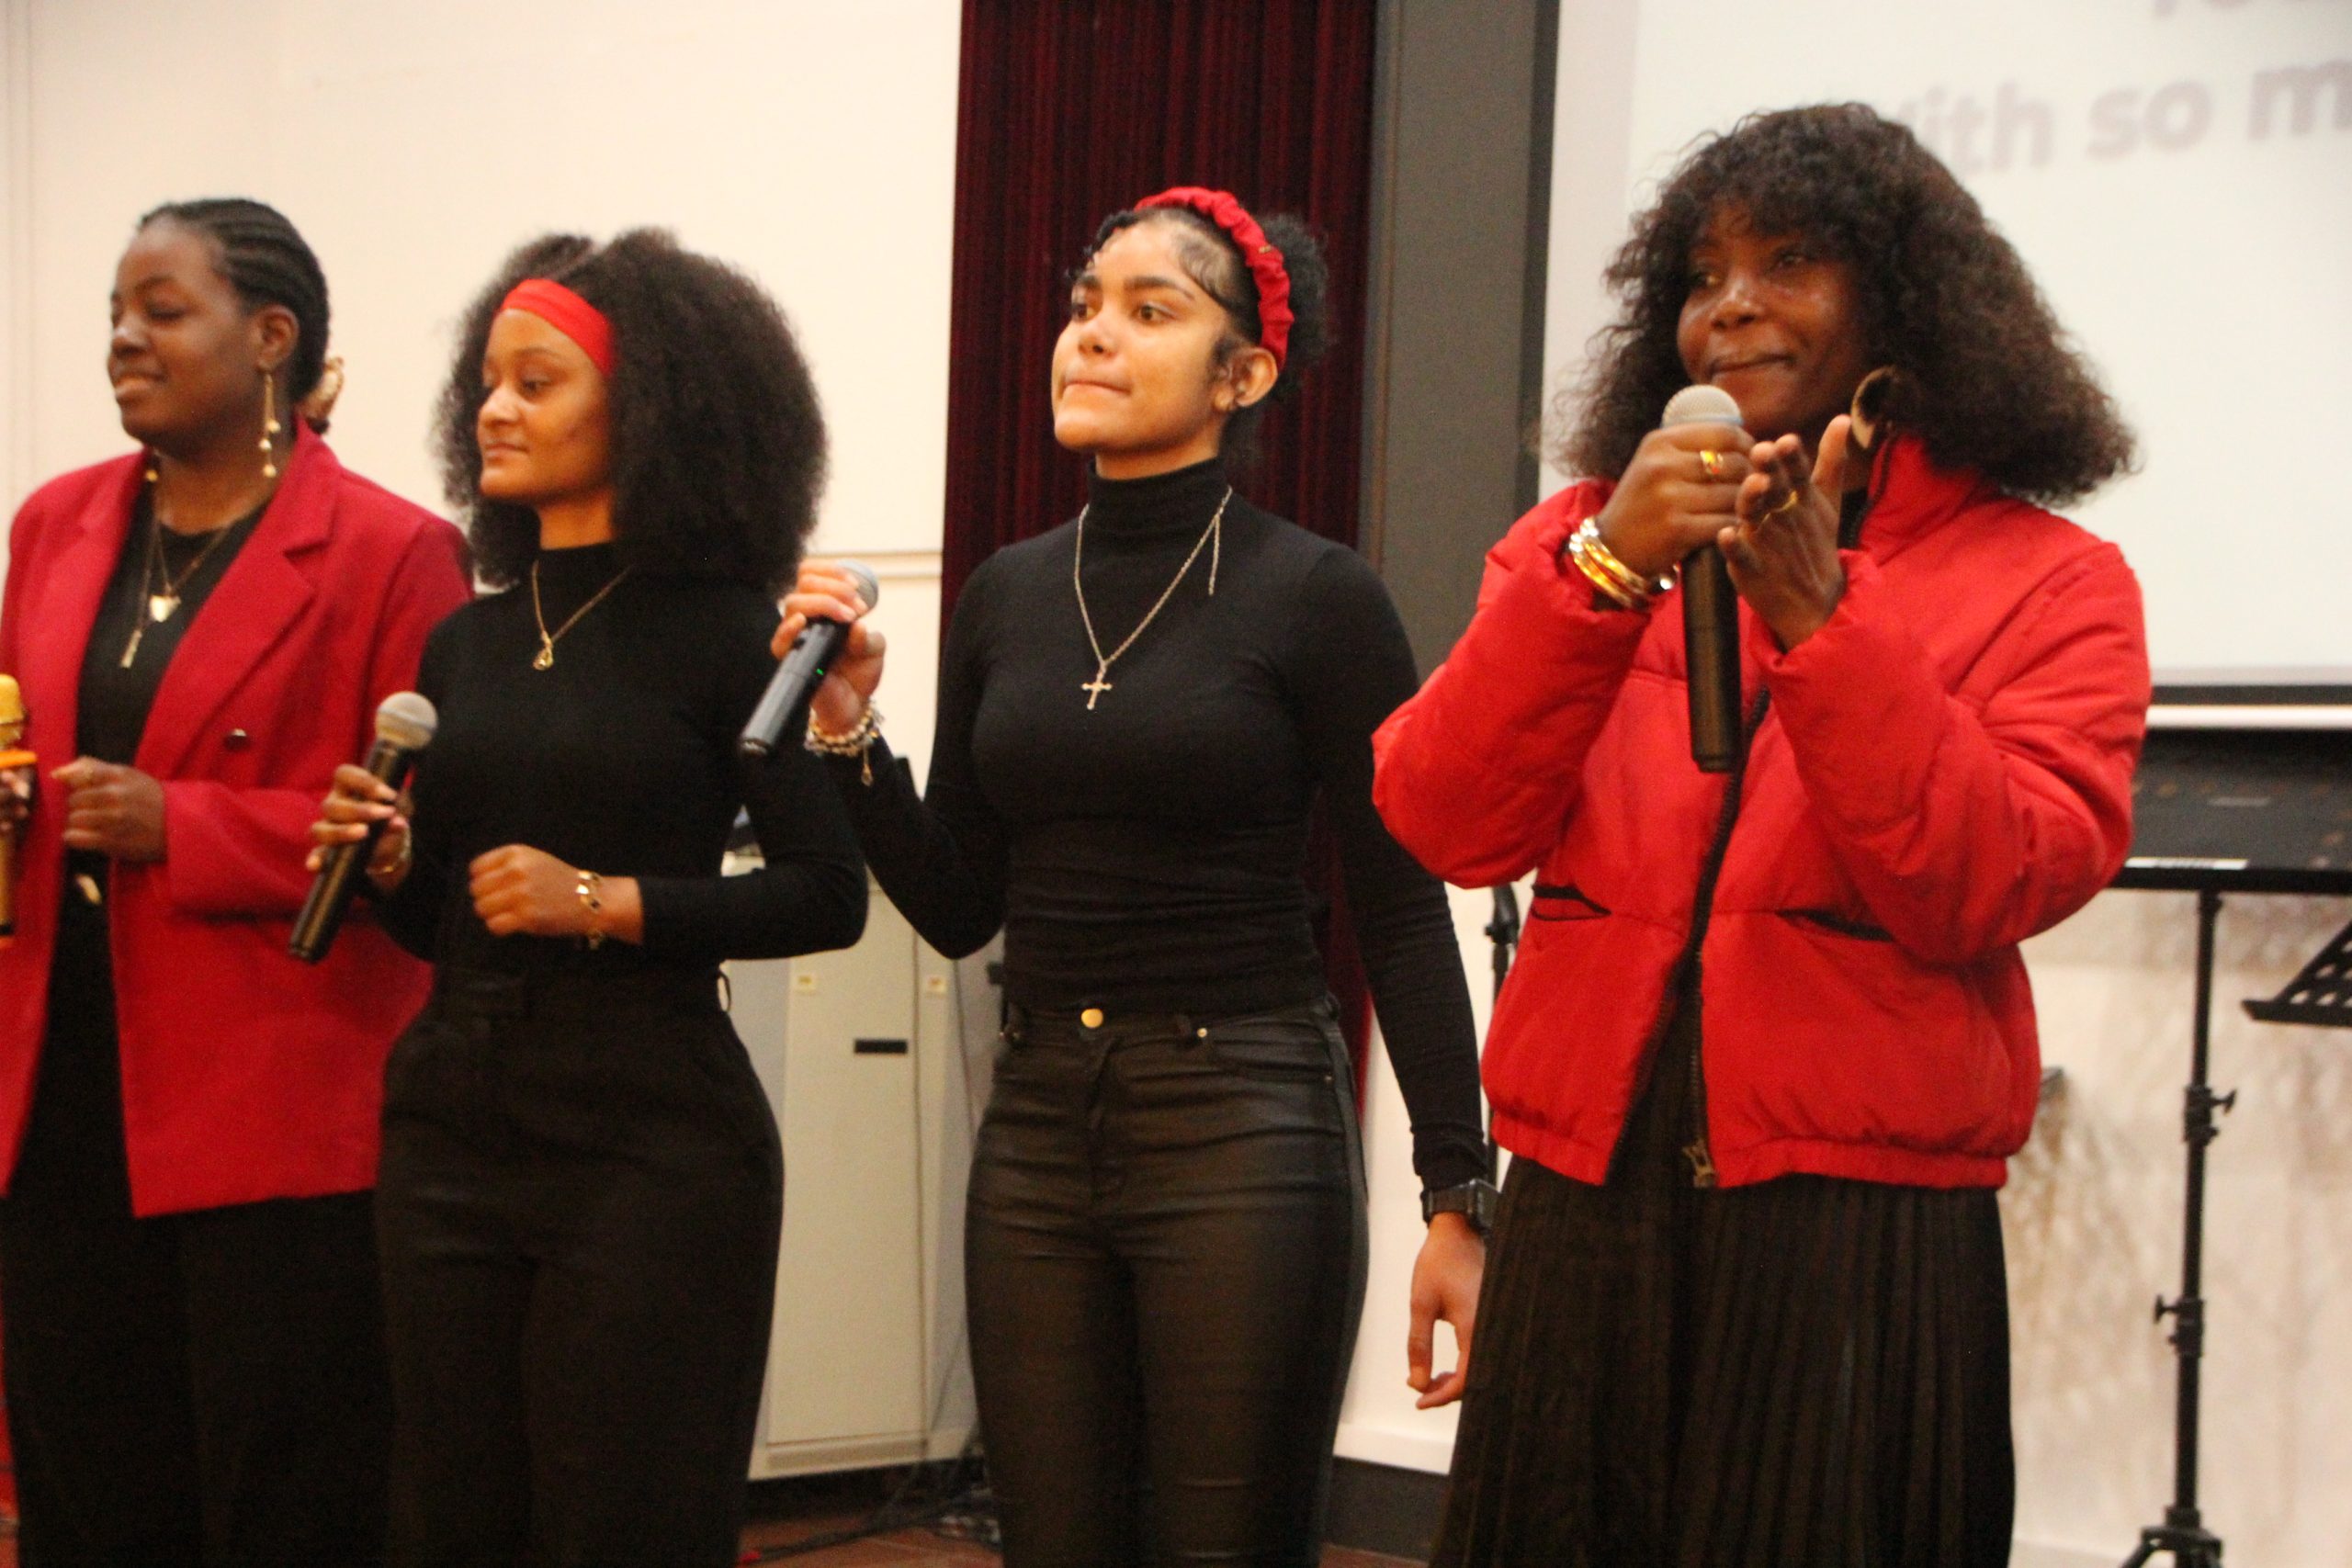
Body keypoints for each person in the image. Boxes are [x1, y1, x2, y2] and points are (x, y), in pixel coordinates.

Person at [1372, 104, 2151, 1566]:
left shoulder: (2053, 582)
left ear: (1906, 301)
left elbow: (1986, 880)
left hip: (1855, 1229)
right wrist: (1606, 572)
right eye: (1702, 274)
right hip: (1586, 1197)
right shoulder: (1581, 540)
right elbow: (1442, 818)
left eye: (1788, 261)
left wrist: (1822, 616)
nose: (1730, 305)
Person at [778, 186, 1490, 1566]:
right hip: (1038, 1122)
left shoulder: (1317, 595)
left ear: (1243, 376)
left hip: (1242, 1119)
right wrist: (849, 731)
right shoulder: (1008, 593)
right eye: (1084, 305)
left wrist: (1458, 1194)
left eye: (1149, 311)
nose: (1092, 335)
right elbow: (959, 905)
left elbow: (1401, 914)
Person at [311, 229, 864, 1566]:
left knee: (622, 1517)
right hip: (453, 1119)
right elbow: (451, 919)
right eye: (487, 384)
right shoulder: (465, 641)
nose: (494, 410)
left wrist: (607, 901)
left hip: (650, 1140)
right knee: (450, 1516)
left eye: (537, 382)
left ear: (651, 412)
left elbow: (826, 895)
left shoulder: (733, 632)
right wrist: (394, 871)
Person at [0, 197, 470, 1565]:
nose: (123, 339)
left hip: (271, 1091)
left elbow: (420, 836)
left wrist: (185, 826)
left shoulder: (390, 551)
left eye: (163, 310)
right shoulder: (56, 522)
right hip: (63, 1082)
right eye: (116, 312)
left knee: (283, 1494)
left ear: (271, 338)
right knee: (84, 1485)